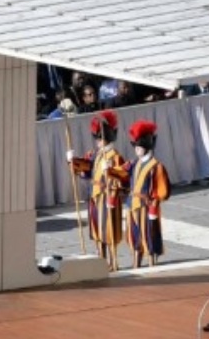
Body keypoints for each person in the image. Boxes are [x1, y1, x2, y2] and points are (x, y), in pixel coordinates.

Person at [69, 110, 127, 271]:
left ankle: (112, 261)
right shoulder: (94, 154)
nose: (97, 142)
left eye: (99, 138)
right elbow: (85, 170)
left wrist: (113, 197)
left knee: (108, 230)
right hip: (95, 196)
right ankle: (101, 260)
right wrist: (72, 161)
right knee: (96, 230)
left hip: (107, 197)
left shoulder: (115, 156)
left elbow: (121, 177)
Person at [125, 119, 169, 269]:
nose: (136, 149)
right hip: (133, 204)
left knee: (149, 235)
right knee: (135, 235)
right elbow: (120, 173)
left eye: (139, 147)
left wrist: (154, 206)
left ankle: (151, 261)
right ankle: (136, 261)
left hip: (146, 205)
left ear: (146, 147)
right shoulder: (133, 164)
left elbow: (162, 190)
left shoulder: (156, 166)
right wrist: (109, 170)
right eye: (136, 147)